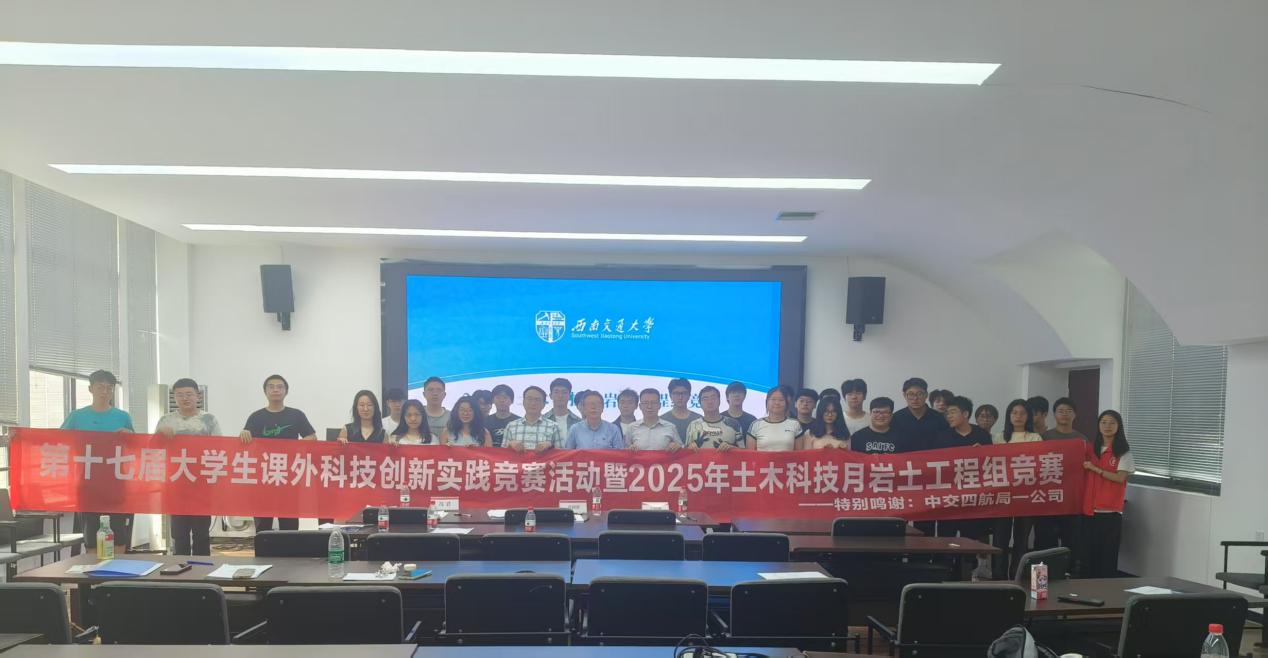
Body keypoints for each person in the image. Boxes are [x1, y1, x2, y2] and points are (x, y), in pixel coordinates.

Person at [62, 369, 135, 554]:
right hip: (87, 483)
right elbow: (56, 441)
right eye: (100, 387)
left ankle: (116, 571)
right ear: (90, 389)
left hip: (116, 482)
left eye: (109, 388)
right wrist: (20, 437)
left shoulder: (123, 417)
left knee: (118, 533)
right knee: (91, 534)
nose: (105, 391)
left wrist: (130, 436)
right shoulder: (77, 416)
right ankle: (93, 571)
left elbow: (136, 448)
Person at [240, 374, 316, 532]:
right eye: (271, 387)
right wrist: (243, 434)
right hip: (263, 475)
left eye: (280, 387)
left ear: (286, 391)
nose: (275, 390)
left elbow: (312, 437)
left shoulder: (296, 415)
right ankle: (263, 547)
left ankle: (289, 548)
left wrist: (293, 447)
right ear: (265, 391)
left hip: (288, 474)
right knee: (263, 521)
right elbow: (245, 442)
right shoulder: (256, 417)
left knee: (289, 521)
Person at [156, 377, 220, 556]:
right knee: (179, 533)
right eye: (180, 395)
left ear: (197, 396)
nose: (185, 398)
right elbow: (153, 450)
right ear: (174, 397)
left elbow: (220, 448)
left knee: (201, 533)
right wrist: (159, 434)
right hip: (176, 482)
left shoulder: (209, 420)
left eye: (189, 394)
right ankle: (180, 569)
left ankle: (202, 568)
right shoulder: (166, 420)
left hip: (202, 484)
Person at [932, 395, 993, 575]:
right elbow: (934, 465)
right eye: (947, 413)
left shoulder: (982, 435)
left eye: (953, 412)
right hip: (948, 497)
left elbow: (992, 465)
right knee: (945, 538)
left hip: (972, 498)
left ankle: (967, 574)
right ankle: (943, 574)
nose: (949, 416)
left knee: (970, 539)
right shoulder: (942, 437)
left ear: (965, 414)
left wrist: (982, 454)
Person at [1035, 397, 1092, 568]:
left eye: (1068, 411)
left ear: (1075, 415)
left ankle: (1069, 573)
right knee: (1044, 541)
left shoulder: (1082, 440)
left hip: (1071, 499)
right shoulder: (1044, 437)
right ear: (1054, 414)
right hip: (1047, 498)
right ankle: (1042, 575)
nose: (1064, 414)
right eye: (1060, 411)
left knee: (1072, 540)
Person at [990, 399, 1044, 579]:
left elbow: (1038, 464)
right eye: (1014, 412)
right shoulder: (999, 438)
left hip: (1026, 494)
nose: (1018, 416)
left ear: (1028, 416)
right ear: (1008, 416)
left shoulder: (1035, 438)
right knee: (1000, 538)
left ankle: (1017, 575)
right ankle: (998, 575)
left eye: (1022, 413)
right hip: (1002, 493)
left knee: (1022, 538)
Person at [1085, 410, 1134, 578]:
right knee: (1089, 556)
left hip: (1110, 512)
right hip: (1089, 511)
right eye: (1103, 422)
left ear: (1119, 426)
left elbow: (1120, 478)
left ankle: (1106, 591)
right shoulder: (1090, 449)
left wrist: (1096, 469)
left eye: (1112, 422)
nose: (1107, 426)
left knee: (1108, 557)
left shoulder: (1123, 452)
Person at [892, 377, 949, 452]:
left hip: (934, 458)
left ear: (926, 395)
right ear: (904, 395)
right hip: (905, 459)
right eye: (911, 394)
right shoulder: (896, 418)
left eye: (920, 394)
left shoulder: (939, 418)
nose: (915, 398)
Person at [504, 386, 561, 453]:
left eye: (537, 400)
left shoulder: (554, 427)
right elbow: (501, 454)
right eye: (529, 399)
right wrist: (510, 445)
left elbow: (561, 454)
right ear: (523, 402)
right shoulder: (511, 426)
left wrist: (550, 446)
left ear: (543, 404)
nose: (533, 403)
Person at [685, 386, 743, 450]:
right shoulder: (693, 425)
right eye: (705, 399)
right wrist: (689, 448)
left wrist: (732, 448)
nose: (710, 402)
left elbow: (744, 452)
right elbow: (685, 453)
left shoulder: (734, 424)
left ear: (719, 401)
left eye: (713, 398)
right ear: (700, 404)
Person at [746, 387, 803, 451]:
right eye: (773, 399)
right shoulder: (756, 425)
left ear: (786, 403)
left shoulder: (795, 424)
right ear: (767, 402)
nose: (777, 403)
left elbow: (799, 453)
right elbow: (750, 454)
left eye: (781, 400)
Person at [661, 378, 702, 444]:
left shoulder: (699, 419)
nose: (680, 397)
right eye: (676, 393)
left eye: (684, 393)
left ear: (689, 395)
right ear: (670, 396)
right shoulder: (662, 420)